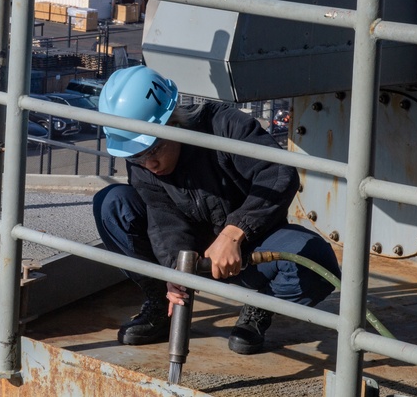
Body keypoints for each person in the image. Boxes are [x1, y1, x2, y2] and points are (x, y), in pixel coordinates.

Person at [92, 65, 340, 355]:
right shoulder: (142, 160)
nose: (149, 165)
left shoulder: (225, 126)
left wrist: (236, 232)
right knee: (112, 203)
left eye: (153, 150)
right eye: (137, 156)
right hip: (196, 258)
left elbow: (278, 174)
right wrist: (175, 270)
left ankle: (260, 304)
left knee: (317, 261)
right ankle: (163, 303)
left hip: (250, 249)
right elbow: (162, 217)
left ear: (174, 123)